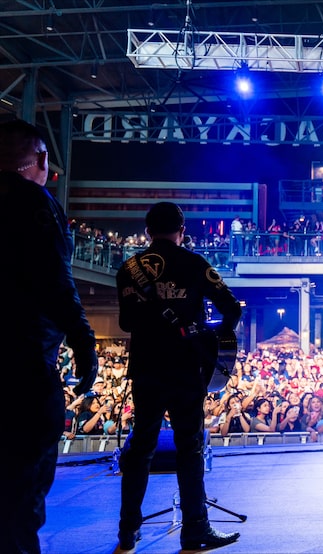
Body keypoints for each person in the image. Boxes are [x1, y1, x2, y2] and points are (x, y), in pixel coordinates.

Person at [115, 201, 242, 551]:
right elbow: (231, 308)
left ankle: (128, 530)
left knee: (141, 447)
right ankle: (195, 529)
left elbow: (126, 323)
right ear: (181, 231)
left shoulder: (128, 268)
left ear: (147, 232)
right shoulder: (195, 264)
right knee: (190, 447)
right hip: (186, 368)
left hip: (146, 368)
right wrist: (209, 336)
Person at [0, 119, 98, 554]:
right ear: (41, 160)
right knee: (20, 498)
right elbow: (57, 283)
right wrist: (83, 340)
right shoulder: (32, 202)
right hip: (22, 368)